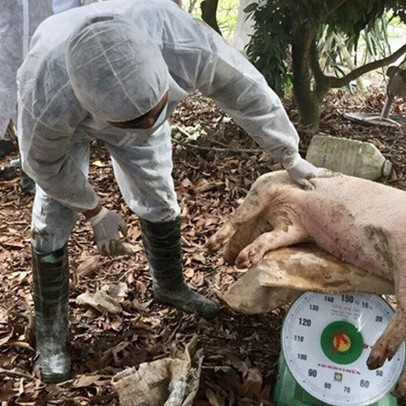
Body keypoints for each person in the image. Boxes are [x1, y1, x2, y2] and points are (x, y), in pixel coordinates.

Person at [17, 0, 326, 383]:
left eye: (152, 113)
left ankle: (170, 285)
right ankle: (51, 339)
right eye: (134, 120)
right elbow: (43, 165)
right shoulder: (45, 91)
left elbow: (248, 92)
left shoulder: (183, 43)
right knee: (50, 222)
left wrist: (289, 155)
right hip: (74, 126)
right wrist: (94, 210)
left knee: (159, 196)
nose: (146, 125)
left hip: (139, 91)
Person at [0, 0, 82, 193]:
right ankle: (32, 169)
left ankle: (35, 174)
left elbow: (68, 8)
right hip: (8, 37)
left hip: (48, 38)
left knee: (39, 101)